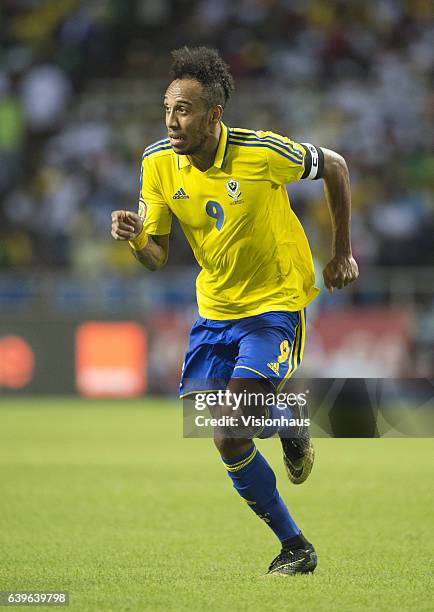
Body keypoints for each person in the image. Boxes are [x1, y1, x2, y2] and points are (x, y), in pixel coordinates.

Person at [111, 46, 359, 576]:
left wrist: (341, 252)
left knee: (229, 429)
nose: (171, 120)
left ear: (213, 114)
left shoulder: (261, 151)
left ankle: (296, 548)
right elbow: (156, 257)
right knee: (219, 429)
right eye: (168, 108)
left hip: (274, 305)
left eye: (183, 109)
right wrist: (136, 241)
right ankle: (289, 417)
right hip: (215, 310)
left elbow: (335, 165)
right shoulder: (157, 162)